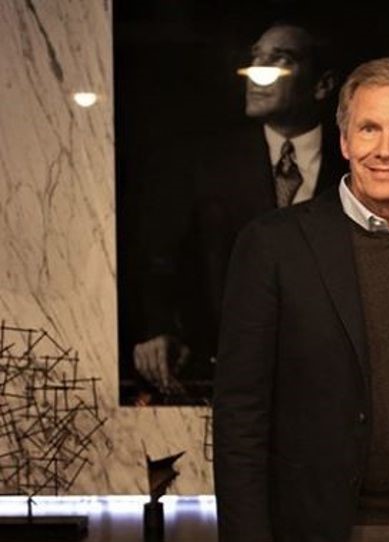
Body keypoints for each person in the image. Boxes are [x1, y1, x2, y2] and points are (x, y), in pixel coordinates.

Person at [213, 58, 389, 542]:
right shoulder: (273, 244)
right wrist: (250, 539)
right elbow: (239, 409)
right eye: (369, 129)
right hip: (327, 529)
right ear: (344, 141)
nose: (384, 150)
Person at [131, 21, 341, 403]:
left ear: (322, 85)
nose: (257, 73)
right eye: (255, 58)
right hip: (226, 380)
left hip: (332, 382)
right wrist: (159, 329)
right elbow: (162, 261)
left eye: (280, 60)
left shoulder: (358, 165)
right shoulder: (205, 165)